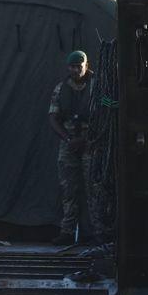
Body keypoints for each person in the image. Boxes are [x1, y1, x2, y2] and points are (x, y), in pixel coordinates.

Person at [48, 50, 105, 246]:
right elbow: (53, 118)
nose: (75, 70)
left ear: (86, 66)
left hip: (92, 141)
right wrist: (68, 138)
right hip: (69, 142)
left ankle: (99, 232)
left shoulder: (98, 87)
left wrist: (87, 138)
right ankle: (67, 231)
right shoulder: (61, 88)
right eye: (71, 67)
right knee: (68, 188)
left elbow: (108, 111)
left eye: (78, 67)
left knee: (95, 189)